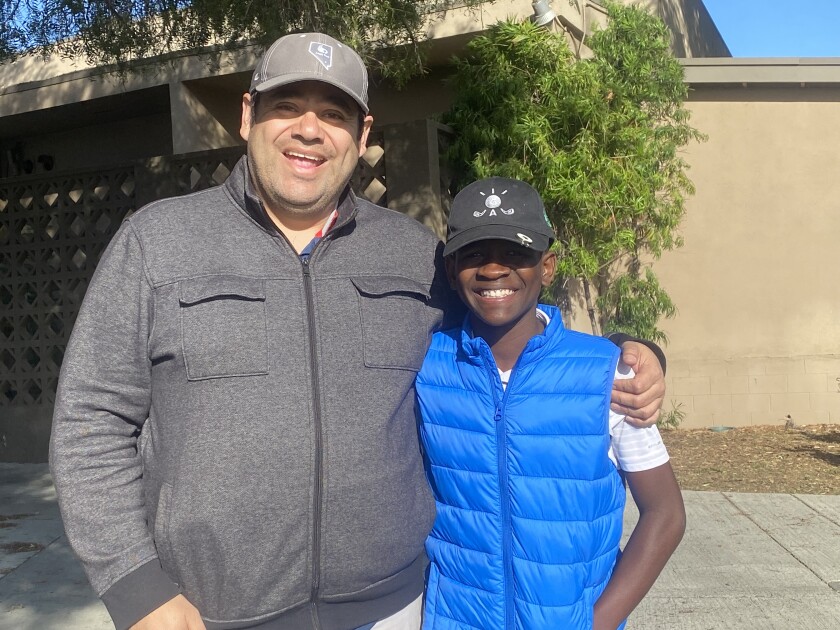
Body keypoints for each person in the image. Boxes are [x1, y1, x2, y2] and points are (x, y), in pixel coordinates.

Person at [49, 33, 667, 630]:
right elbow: (90, 421)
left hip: (395, 607)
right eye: (286, 107)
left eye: (334, 114)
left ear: (361, 134)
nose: (310, 130)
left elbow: (503, 325)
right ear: (247, 115)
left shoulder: (411, 254)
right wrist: (135, 585)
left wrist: (630, 353)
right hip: (208, 614)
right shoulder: (156, 243)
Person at [416, 177, 686, 629]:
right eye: (475, 254)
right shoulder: (426, 365)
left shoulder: (606, 375)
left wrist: (598, 622)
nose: (493, 270)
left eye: (516, 254)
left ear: (548, 266)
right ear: (450, 270)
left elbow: (666, 514)